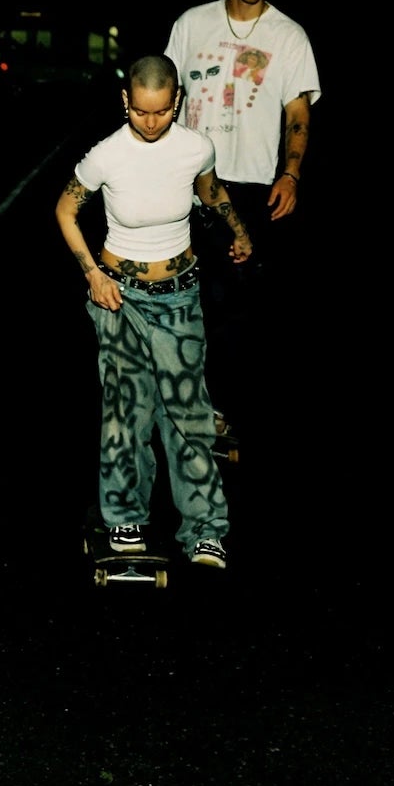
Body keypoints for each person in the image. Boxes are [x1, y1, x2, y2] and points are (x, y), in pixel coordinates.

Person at [54, 54, 252, 567]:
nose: (149, 122)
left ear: (177, 102)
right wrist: (92, 273)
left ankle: (206, 528)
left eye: (161, 112)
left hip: (179, 295)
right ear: (126, 101)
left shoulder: (195, 148)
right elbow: (65, 209)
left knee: (188, 413)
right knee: (127, 411)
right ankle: (124, 517)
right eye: (140, 111)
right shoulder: (106, 154)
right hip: (118, 296)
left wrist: (238, 229)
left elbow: (209, 191)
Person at [163, 0, 321, 436]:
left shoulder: (289, 35)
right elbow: (166, 98)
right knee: (183, 302)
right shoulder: (192, 24)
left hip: (250, 190)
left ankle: (223, 412)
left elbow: (298, 112)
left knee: (238, 310)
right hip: (187, 188)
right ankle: (179, 407)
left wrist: (291, 174)